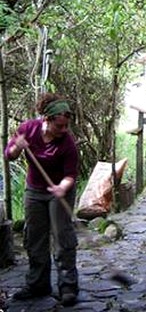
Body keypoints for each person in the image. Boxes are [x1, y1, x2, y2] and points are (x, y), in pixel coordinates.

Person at [4, 93, 79, 306]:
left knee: (63, 237)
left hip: (60, 190)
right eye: (60, 126)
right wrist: (18, 146)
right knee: (35, 238)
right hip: (35, 191)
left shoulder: (68, 143)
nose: (64, 130)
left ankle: (68, 286)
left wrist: (61, 187)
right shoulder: (28, 129)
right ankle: (38, 284)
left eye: (66, 126)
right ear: (47, 120)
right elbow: (9, 155)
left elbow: (71, 175)